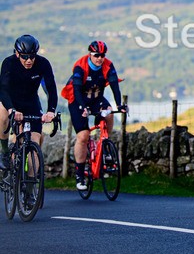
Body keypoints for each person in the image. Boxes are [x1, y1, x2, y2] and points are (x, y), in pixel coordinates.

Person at [61, 41, 126, 190]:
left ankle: (104, 144)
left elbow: (115, 86)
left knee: (109, 113)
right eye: (96, 55)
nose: (99, 58)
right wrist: (82, 107)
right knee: (83, 136)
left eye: (102, 55)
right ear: (90, 54)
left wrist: (119, 105)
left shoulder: (108, 65)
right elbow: (76, 90)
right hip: (78, 100)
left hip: (96, 99)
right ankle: (79, 175)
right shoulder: (81, 66)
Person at [0, 35, 58, 170]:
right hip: (10, 101)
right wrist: (11, 110)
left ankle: (30, 188)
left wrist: (51, 110)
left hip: (31, 102)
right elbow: (3, 89)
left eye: (32, 56)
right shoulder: (9, 63)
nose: (29, 60)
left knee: (34, 141)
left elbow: (51, 89)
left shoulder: (43, 63)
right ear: (17, 53)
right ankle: (4, 151)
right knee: (3, 117)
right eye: (24, 57)